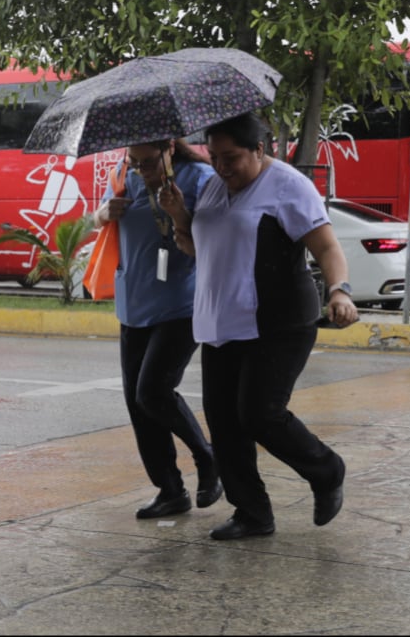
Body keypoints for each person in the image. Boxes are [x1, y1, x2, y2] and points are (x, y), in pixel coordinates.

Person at [157, 113, 357, 541]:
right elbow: (199, 246)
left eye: (231, 157)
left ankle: (327, 470)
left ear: (259, 150)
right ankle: (252, 513)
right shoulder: (214, 187)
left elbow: (326, 244)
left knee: (260, 414)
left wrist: (340, 290)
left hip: (278, 318)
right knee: (225, 422)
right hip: (222, 319)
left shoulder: (287, 185)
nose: (222, 167)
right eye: (214, 157)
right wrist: (178, 216)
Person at [96, 138, 222, 520]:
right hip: (133, 304)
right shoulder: (123, 175)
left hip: (180, 306)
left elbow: (213, 245)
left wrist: (179, 212)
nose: (140, 170)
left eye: (148, 162)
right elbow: (94, 220)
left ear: (169, 148)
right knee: (138, 404)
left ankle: (208, 458)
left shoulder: (199, 178)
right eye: (134, 161)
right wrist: (104, 213)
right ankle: (170, 490)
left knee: (153, 391)